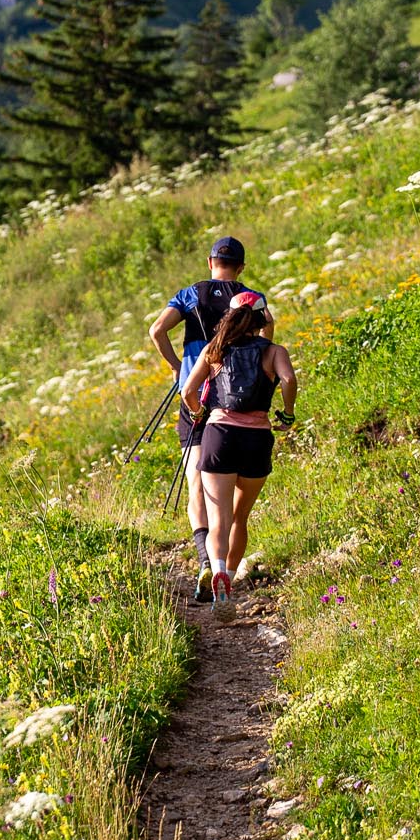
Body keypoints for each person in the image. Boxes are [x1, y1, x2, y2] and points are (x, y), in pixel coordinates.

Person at [148, 236, 270, 602]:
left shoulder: (190, 294)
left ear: (209, 261)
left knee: (196, 481)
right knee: (231, 488)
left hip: (195, 392)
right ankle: (226, 566)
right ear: (241, 267)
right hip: (236, 400)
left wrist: (177, 368)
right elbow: (268, 338)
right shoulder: (249, 299)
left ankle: (206, 561)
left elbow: (157, 330)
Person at [190, 293, 296, 620]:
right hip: (256, 438)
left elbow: (187, 392)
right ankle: (231, 579)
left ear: (230, 318)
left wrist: (198, 413)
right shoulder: (274, 351)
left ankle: (217, 568)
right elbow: (289, 379)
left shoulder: (214, 351)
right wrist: (288, 415)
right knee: (240, 516)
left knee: (218, 518)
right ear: (263, 320)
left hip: (220, 436)